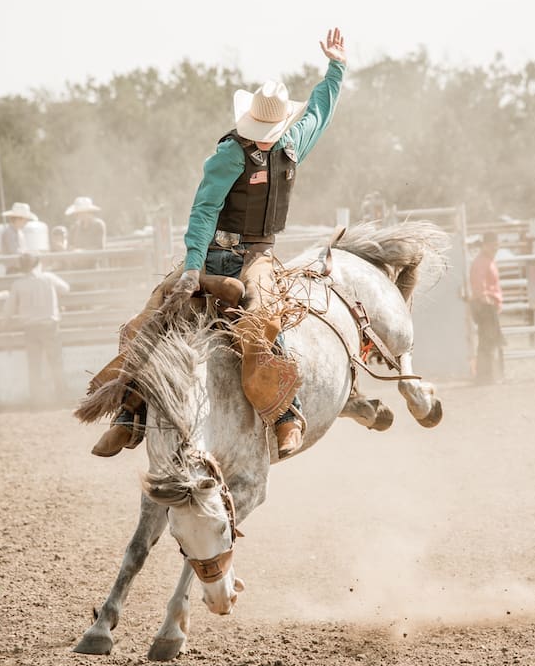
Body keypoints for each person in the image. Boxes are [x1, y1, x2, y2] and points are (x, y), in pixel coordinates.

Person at [89, 27, 348, 459]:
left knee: (262, 318)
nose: (265, 134)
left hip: (256, 255)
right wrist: (192, 266)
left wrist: (336, 67)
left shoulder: (291, 143)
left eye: (270, 127)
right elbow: (204, 210)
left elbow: (319, 110)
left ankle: (286, 414)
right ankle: (128, 414)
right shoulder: (230, 154)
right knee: (150, 317)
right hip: (213, 254)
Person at [4, 254, 71, 402]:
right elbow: (66, 289)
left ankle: (37, 397)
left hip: (30, 328)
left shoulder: (18, 284)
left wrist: (5, 322)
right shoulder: (48, 278)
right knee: (55, 361)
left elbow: (9, 308)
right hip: (49, 326)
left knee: (34, 364)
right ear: (38, 264)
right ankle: (62, 394)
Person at [469, 232, 504, 384]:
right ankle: (486, 376)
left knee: (488, 341)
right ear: (485, 245)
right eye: (493, 245)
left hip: (487, 305)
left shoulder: (486, 261)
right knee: (487, 341)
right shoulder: (482, 262)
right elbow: (479, 287)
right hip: (485, 306)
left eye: (497, 244)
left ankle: (487, 375)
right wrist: (488, 302)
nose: (496, 248)